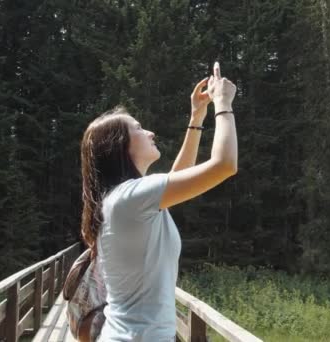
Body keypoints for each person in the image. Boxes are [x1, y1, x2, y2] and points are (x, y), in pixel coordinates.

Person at [79, 62, 237, 341]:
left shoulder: (127, 199)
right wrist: (223, 104)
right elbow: (224, 164)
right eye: (138, 129)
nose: (150, 132)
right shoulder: (130, 198)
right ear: (120, 147)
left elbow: (180, 176)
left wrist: (197, 117)